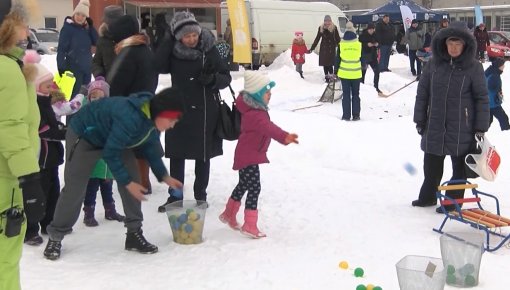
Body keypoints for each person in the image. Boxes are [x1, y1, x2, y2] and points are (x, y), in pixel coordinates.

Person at [43, 88, 185, 260]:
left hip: (115, 138)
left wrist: (164, 176)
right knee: (75, 187)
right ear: (162, 113)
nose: (172, 125)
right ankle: (56, 236)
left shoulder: (150, 117)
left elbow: (151, 147)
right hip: (85, 135)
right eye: (171, 120)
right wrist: (127, 182)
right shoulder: (130, 117)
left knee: (134, 181)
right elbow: (111, 154)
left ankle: (134, 233)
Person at [154, 11, 232, 212]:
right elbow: (157, 65)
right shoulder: (173, 50)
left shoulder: (209, 48)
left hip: (205, 110)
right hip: (178, 109)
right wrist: (167, 39)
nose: (191, 39)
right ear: (178, 36)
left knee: (202, 155)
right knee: (176, 155)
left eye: (193, 35)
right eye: (186, 36)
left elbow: (226, 78)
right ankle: (175, 197)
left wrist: (212, 80)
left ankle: (200, 195)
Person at [412, 21, 490, 213]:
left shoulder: (474, 68)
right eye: (450, 44)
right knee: (431, 165)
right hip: (435, 124)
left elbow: (481, 98)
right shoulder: (433, 65)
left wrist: (480, 127)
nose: (454, 48)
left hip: (462, 126)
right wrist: (420, 119)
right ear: (444, 44)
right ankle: (428, 197)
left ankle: (452, 204)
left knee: (459, 169)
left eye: (458, 44)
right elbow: (423, 94)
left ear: (465, 46)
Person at [218, 71, 299, 238]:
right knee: (254, 187)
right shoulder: (256, 115)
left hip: (246, 154)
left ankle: (228, 214)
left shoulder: (253, 110)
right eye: (266, 92)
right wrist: (285, 136)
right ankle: (250, 224)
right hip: (249, 156)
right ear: (257, 95)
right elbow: (269, 128)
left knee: (244, 184)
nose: (270, 95)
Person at [0, 1, 46, 288]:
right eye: (22, 24)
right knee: (5, 260)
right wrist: (29, 178)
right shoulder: (7, 71)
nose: (28, 32)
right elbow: (10, 128)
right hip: (7, 181)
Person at [107, 15, 159, 194]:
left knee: (134, 147)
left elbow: (118, 83)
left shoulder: (129, 53)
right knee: (142, 145)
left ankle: (141, 182)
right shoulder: (144, 49)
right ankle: (143, 180)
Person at [22, 51, 67, 246]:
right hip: (40, 157)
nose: (52, 87)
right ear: (37, 86)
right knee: (38, 193)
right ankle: (30, 229)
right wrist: (61, 132)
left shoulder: (47, 102)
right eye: (47, 84)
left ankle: (48, 221)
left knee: (53, 191)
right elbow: (41, 128)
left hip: (52, 157)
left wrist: (61, 129)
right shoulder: (33, 103)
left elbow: (54, 124)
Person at [81, 77, 126, 227]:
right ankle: (88, 213)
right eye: (93, 97)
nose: (97, 100)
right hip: (94, 159)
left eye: (100, 97)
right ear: (89, 98)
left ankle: (110, 210)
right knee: (91, 187)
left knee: (107, 185)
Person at [56, 0, 98, 99]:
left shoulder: (86, 29)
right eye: (78, 14)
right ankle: (71, 115)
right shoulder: (67, 29)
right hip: (73, 69)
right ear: (74, 14)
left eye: (83, 16)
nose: (80, 17)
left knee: (83, 99)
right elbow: (61, 49)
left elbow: (96, 41)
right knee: (73, 99)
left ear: (86, 18)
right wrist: (61, 66)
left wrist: (91, 27)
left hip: (86, 69)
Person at [337, 22, 362, 121]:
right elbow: (362, 59)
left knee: (346, 95)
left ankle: (346, 116)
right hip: (356, 74)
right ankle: (356, 115)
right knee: (356, 95)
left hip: (344, 74)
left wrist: (335, 71)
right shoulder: (359, 45)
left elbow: (337, 59)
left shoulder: (341, 45)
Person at [91, 5, 123, 78]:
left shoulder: (129, 38)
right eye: (109, 23)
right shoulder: (103, 40)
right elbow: (96, 62)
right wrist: (99, 75)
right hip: (109, 83)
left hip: (129, 85)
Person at [309, 15, 341, 82]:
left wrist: (341, 47)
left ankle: (332, 77)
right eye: (326, 21)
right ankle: (327, 78)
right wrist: (312, 48)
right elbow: (317, 38)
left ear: (331, 21)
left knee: (329, 64)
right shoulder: (321, 28)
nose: (327, 22)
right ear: (324, 21)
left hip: (331, 49)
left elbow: (338, 39)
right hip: (324, 49)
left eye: (329, 21)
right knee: (325, 64)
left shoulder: (334, 28)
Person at [485, 57, 510, 131]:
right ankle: (506, 132)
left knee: (488, 120)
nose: (504, 67)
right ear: (499, 66)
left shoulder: (491, 71)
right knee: (503, 118)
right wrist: (499, 91)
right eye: (503, 65)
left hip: (487, 102)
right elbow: (490, 86)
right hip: (492, 103)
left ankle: (480, 132)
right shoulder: (494, 75)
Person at [358, 23, 381, 94]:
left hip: (373, 56)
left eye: (373, 29)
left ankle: (376, 87)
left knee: (377, 71)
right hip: (365, 56)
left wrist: (377, 44)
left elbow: (379, 42)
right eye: (370, 30)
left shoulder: (376, 35)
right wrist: (366, 44)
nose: (371, 31)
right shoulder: (362, 35)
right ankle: (361, 88)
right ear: (368, 29)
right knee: (363, 72)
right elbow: (359, 44)